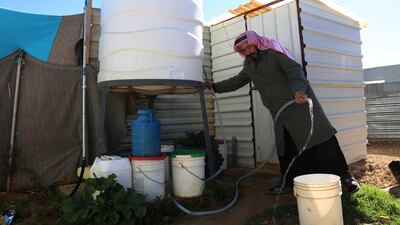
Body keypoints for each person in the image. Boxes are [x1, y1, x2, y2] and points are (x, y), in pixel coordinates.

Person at [205, 31, 360, 194]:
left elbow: (295, 70)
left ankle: (344, 177)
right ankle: (289, 182)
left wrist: (299, 90)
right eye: (242, 50)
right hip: (280, 114)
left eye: (249, 47)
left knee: (321, 141)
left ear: (256, 42)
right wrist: (214, 86)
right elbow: (236, 81)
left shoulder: (273, 55)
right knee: (287, 148)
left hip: (299, 107)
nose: (247, 51)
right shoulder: (249, 66)